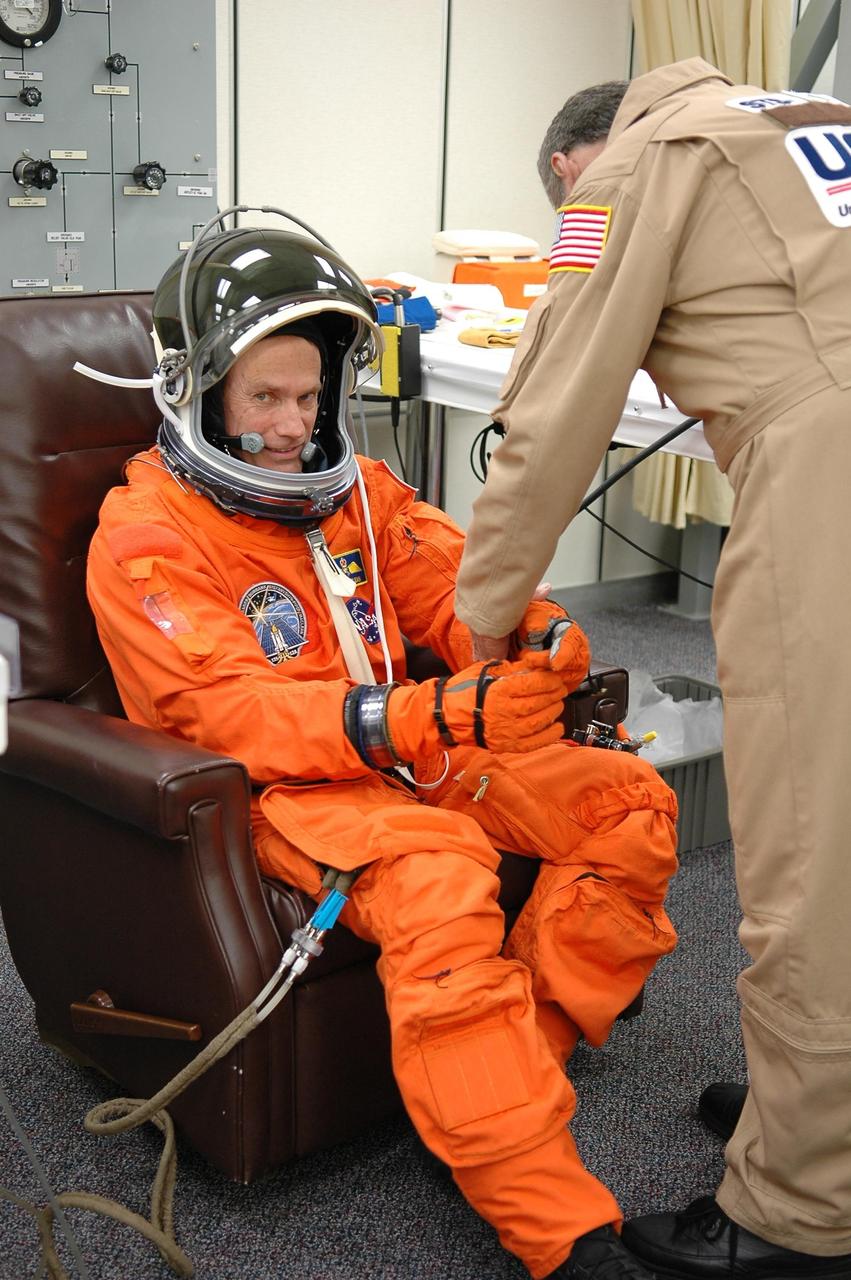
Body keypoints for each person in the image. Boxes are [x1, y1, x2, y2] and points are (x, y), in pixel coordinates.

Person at [86, 213, 679, 1280]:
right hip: (286, 790)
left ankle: (502, 1082)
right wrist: (425, 715)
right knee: (439, 875)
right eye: (262, 397)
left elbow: (450, 587)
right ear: (198, 386)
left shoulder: (356, 490)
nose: (288, 426)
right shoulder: (145, 533)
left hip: (410, 748)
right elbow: (222, 710)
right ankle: (557, 1224)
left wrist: (537, 631)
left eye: (308, 398)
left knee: (624, 800)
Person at [454, 56, 851, 1280]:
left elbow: (552, 405)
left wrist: (477, 623)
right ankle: (817, 1118)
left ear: (571, 165)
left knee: (810, 858)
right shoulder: (807, 118)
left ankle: (798, 1207)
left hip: (829, 475)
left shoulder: (629, 168)